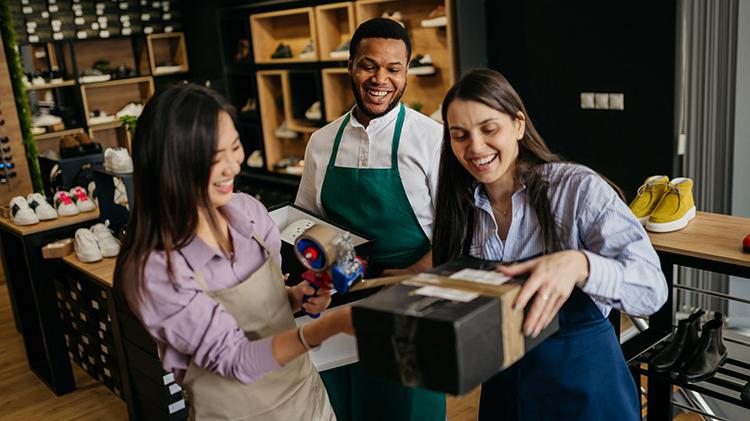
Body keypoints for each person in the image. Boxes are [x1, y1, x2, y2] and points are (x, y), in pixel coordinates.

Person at [432, 69, 668, 420]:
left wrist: (580, 265)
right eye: (460, 135)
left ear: (518, 125)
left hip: (585, 390)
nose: (475, 147)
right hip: (505, 390)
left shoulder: (576, 189)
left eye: (489, 128)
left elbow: (652, 289)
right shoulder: (460, 210)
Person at [115, 84, 353, 420]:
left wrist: (297, 296)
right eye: (214, 159)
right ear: (172, 166)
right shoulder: (156, 270)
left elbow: (262, 309)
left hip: (306, 401)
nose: (233, 167)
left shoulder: (250, 214)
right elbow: (235, 360)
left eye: (236, 147)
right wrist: (329, 326)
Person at [295, 18, 445, 421]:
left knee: (410, 407)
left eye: (393, 69)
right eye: (368, 65)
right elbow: (308, 220)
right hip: (341, 299)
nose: (381, 79)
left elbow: (457, 229)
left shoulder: (432, 139)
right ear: (350, 66)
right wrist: (327, 274)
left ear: (406, 72)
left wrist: (412, 272)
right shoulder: (321, 142)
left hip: (412, 299)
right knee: (346, 406)